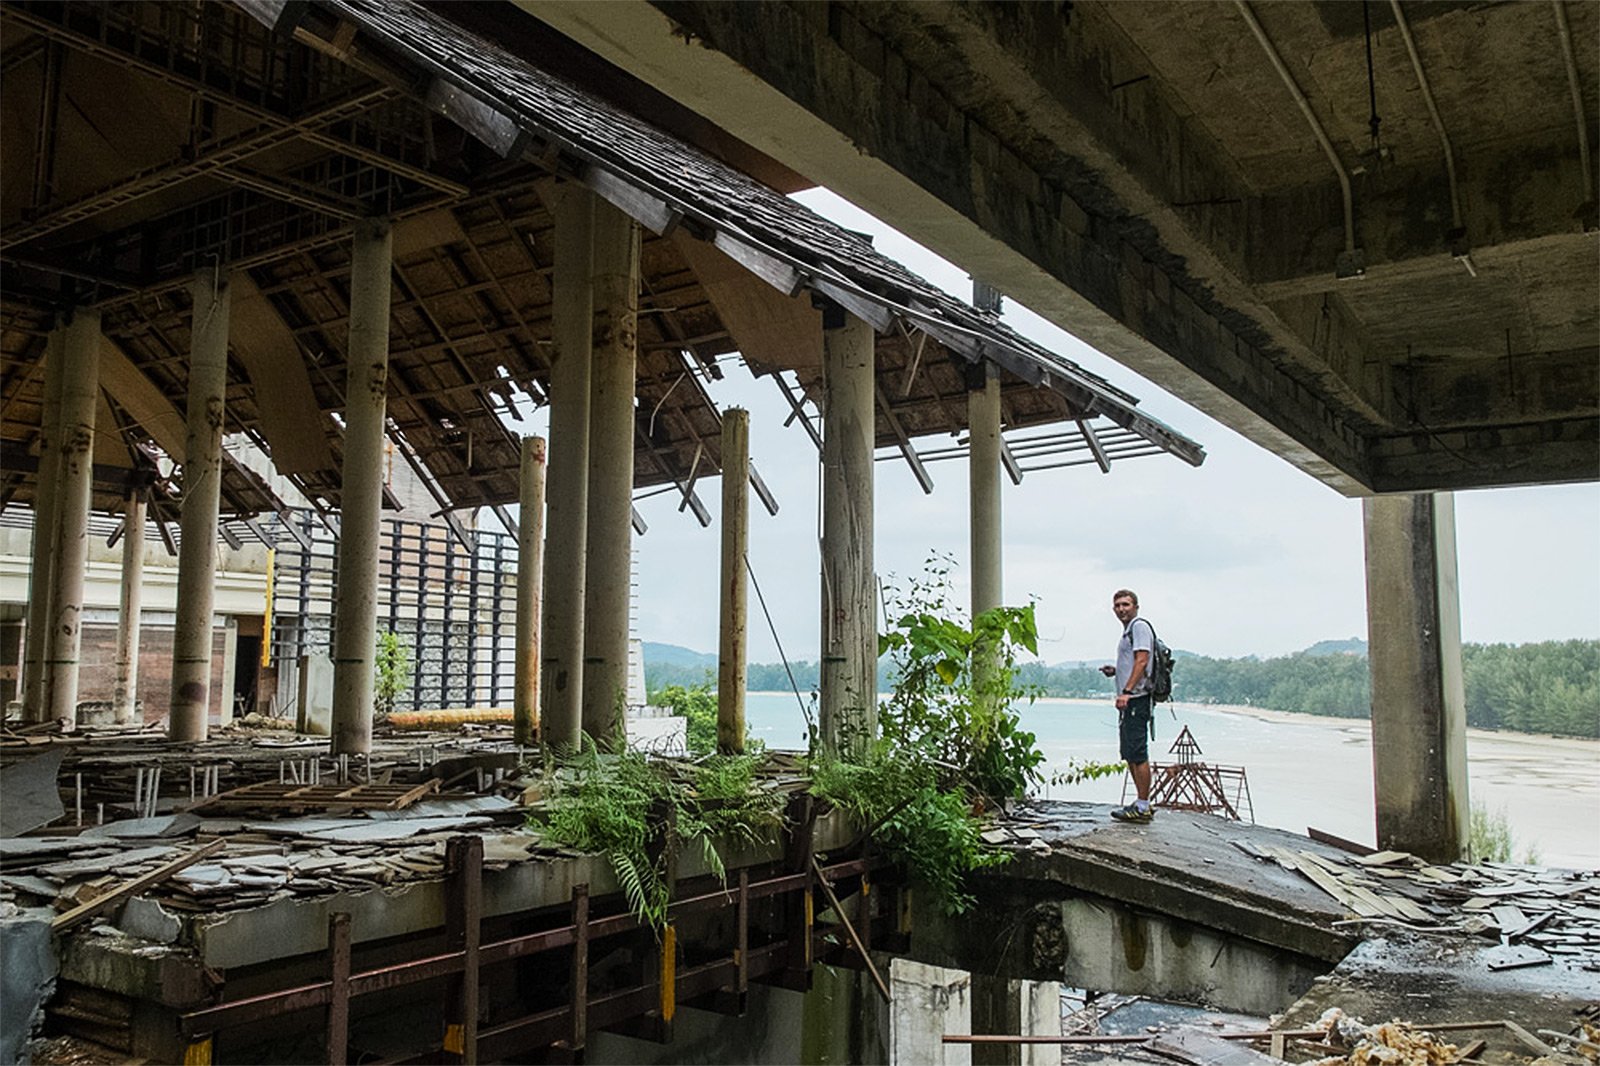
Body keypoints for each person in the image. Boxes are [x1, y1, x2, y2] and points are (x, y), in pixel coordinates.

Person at [1099, 588, 1155, 823]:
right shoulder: (1128, 631)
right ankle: (1140, 804)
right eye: (1118, 605)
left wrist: (1127, 691)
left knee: (1138, 752)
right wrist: (1116, 672)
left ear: (1136, 606)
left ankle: (1143, 805)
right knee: (1130, 752)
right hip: (1131, 699)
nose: (1122, 609)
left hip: (1136, 698)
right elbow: (1133, 661)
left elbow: (1142, 659)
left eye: (1126, 604)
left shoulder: (1139, 626)